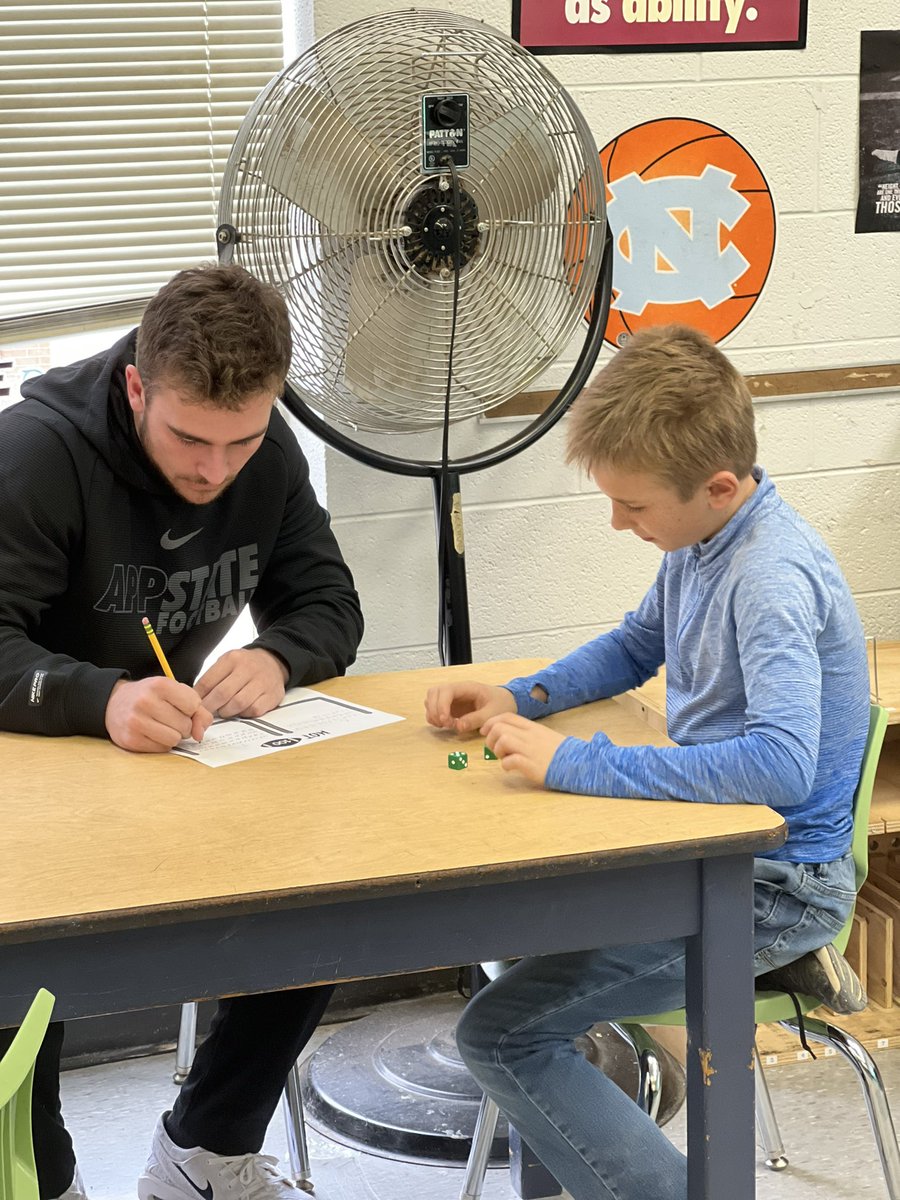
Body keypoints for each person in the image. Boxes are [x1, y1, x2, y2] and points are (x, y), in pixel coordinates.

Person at [424, 324, 870, 1200]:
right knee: (523, 931)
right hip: (712, 856)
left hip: (776, 888)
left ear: (717, 485)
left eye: (632, 506)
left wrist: (576, 764)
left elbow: (780, 766)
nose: (618, 521)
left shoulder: (770, 577)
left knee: (501, 1035)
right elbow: (638, 643)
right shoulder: (706, 541)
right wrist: (526, 696)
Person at [0, 264, 364, 1200]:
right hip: (31, 778)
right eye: (189, 439)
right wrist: (101, 698)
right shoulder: (36, 452)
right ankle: (42, 1179)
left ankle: (205, 1154)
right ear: (136, 388)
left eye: (240, 441)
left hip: (173, 764)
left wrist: (280, 655)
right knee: (17, 983)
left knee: (330, 900)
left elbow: (329, 601)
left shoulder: (265, 449)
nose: (214, 470)